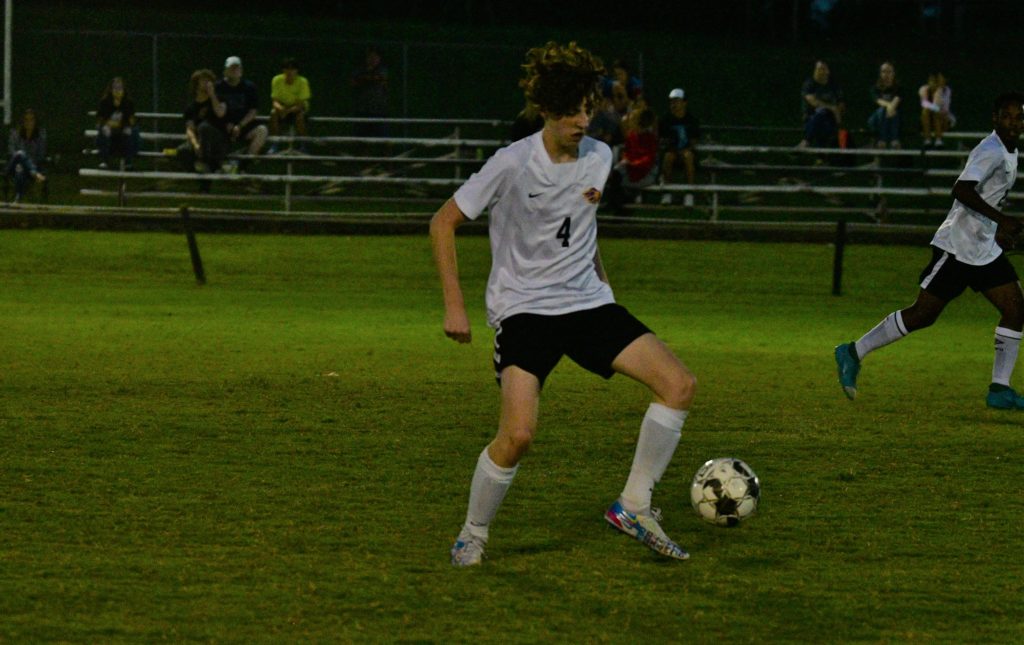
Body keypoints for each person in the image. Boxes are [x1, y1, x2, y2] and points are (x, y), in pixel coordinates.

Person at [431, 41, 696, 567]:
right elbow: (443, 222)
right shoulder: (512, 163)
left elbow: (582, 230)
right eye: (572, 112)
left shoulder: (600, 156)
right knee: (518, 435)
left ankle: (633, 505)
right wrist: (455, 306)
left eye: (588, 110)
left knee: (678, 384)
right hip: (525, 311)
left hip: (588, 305)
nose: (583, 121)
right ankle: (472, 534)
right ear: (547, 111)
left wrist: (606, 291)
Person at [834, 92, 1024, 410]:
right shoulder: (990, 150)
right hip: (958, 247)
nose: (1014, 123)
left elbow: (989, 197)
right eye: (1007, 116)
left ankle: (1000, 389)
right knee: (923, 314)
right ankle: (853, 351)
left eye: (1019, 117)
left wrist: (997, 230)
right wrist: (1002, 220)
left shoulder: (1009, 150)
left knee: (1016, 308)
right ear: (995, 118)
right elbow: (961, 189)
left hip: (983, 247)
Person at [216, 56, 268, 170]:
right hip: (222, 126)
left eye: (237, 68)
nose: (234, 71)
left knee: (262, 130)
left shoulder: (249, 87)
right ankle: (217, 166)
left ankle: (243, 165)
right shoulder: (218, 87)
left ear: (241, 71)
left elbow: (253, 110)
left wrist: (240, 126)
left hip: (244, 126)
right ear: (225, 71)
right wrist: (225, 123)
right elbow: (214, 109)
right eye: (231, 68)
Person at [605, 107, 659, 215]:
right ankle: (617, 207)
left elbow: (648, 160)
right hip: (630, 170)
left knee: (618, 182)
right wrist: (625, 160)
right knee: (615, 173)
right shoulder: (631, 136)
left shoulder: (650, 138)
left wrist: (632, 163)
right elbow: (628, 152)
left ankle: (620, 208)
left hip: (644, 173)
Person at [183, 68, 229, 178]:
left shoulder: (220, 100)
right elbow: (190, 129)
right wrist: (195, 144)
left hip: (218, 142)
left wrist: (212, 95)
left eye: (209, 80)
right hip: (200, 143)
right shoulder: (191, 108)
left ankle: (205, 165)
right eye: (203, 80)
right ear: (196, 85)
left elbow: (220, 113)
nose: (208, 83)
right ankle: (200, 176)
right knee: (182, 151)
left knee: (204, 127)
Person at [659, 88, 701, 206]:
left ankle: (689, 193)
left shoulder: (691, 120)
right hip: (671, 151)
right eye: (672, 101)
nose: (674, 104)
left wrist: (686, 149)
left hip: (687, 151)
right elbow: (663, 140)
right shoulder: (665, 120)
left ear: (684, 103)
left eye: (677, 101)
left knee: (688, 156)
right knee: (668, 157)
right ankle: (667, 192)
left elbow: (694, 140)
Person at [268, 57, 312, 154]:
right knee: (273, 113)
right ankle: (275, 143)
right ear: (283, 70)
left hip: (298, 110)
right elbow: (275, 101)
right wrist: (281, 109)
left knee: (300, 117)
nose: (289, 71)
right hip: (282, 109)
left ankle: (303, 144)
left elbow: (301, 105)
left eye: (292, 69)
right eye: (287, 68)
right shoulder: (276, 80)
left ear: (297, 70)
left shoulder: (303, 81)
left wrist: (287, 111)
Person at [95, 76, 140, 170]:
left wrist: (118, 124)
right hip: (109, 131)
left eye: (120, 88)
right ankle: (105, 161)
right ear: (111, 90)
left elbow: (131, 121)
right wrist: (109, 124)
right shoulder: (105, 102)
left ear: (124, 90)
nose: (117, 91)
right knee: (103, 130)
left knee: (132, 131)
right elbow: (100, 120)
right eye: (115, 88)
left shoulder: (128, 103)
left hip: (123, 131)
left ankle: (128, 162)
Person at [800, 60, 844, 149]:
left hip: (830, 119)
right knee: (821, 114)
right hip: (811, 118)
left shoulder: (833, 85)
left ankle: (806, 142)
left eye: (822, 69)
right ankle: (812, 147)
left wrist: (838, 120)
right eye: (817, 69)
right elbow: (813, 102)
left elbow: (841, 104)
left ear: (828, 71)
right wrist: (832, 108)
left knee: (824, 120)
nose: (819, 72)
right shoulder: (809, 84)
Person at [6, 108, 46, 203]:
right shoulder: (15, 133)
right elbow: (11, 152)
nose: (29, 122)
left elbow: (41, 155)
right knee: (19, 154)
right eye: (26, 120)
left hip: (30, 167)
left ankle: (18, 198)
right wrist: (24, 163)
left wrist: (26, 165)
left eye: (31, 119)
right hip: (13, 166)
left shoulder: (40, 135)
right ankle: (35, 174)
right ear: (22, 122)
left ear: (35, 122)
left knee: (20, 169)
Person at [351, 46, 389, 138]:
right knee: (361, 138)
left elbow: (379, 79)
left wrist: (368, 78)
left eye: (375, 57)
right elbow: (354, 82)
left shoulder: (382, 70)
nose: (372, 60)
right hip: (363, 109)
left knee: (382, 138)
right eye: (370, 57)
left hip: (378, 110)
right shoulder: (359, 70)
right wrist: (365, 78)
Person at [868, 61, 902, 149]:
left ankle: (893, 141)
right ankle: (883, 140)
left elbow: (896, 101)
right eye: (884, 71)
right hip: (875, 120)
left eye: (889, 72)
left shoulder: (898, 88)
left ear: (893, 73)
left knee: (893, 111)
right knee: (883, 110)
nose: (886, 74)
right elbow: (879, 101)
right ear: (880, 74)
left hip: (893, 118)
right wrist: (889, 106)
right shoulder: (874, 88)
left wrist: (890, 107)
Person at [586, 81, 628, 148]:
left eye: (620, 97)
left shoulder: (626, 118)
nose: (615, 100)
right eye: (613, 96)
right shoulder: (604, 114)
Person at [920, 72, 955, 148]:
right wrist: (933, 109)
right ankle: (927, 139)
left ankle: (938, 140)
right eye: (931, 81)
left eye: (935, 82)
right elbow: (924, 103)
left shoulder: (944, 91)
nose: (932, 83)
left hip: (944, 118)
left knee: (935, 113)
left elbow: (944, 109)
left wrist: (934, 107)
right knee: (925, 112)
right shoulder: (923, 89)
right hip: (930, 119)